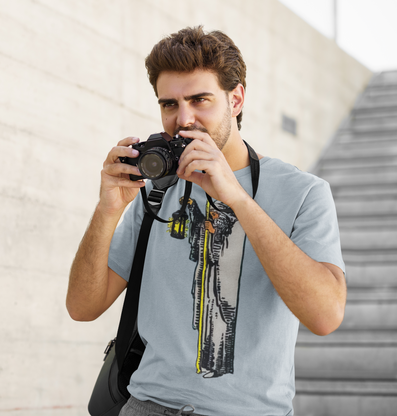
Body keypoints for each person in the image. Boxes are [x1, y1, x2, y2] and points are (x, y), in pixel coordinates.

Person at [67, 26, 346, 416]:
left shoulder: (303, 193)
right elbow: (82, 307)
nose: (184, 119)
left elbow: (325, 316)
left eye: (200, 99)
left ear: (236, 99)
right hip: (147, 405)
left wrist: (235, 196)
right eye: (169, 104)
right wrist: (108, 208)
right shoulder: (157, 189)